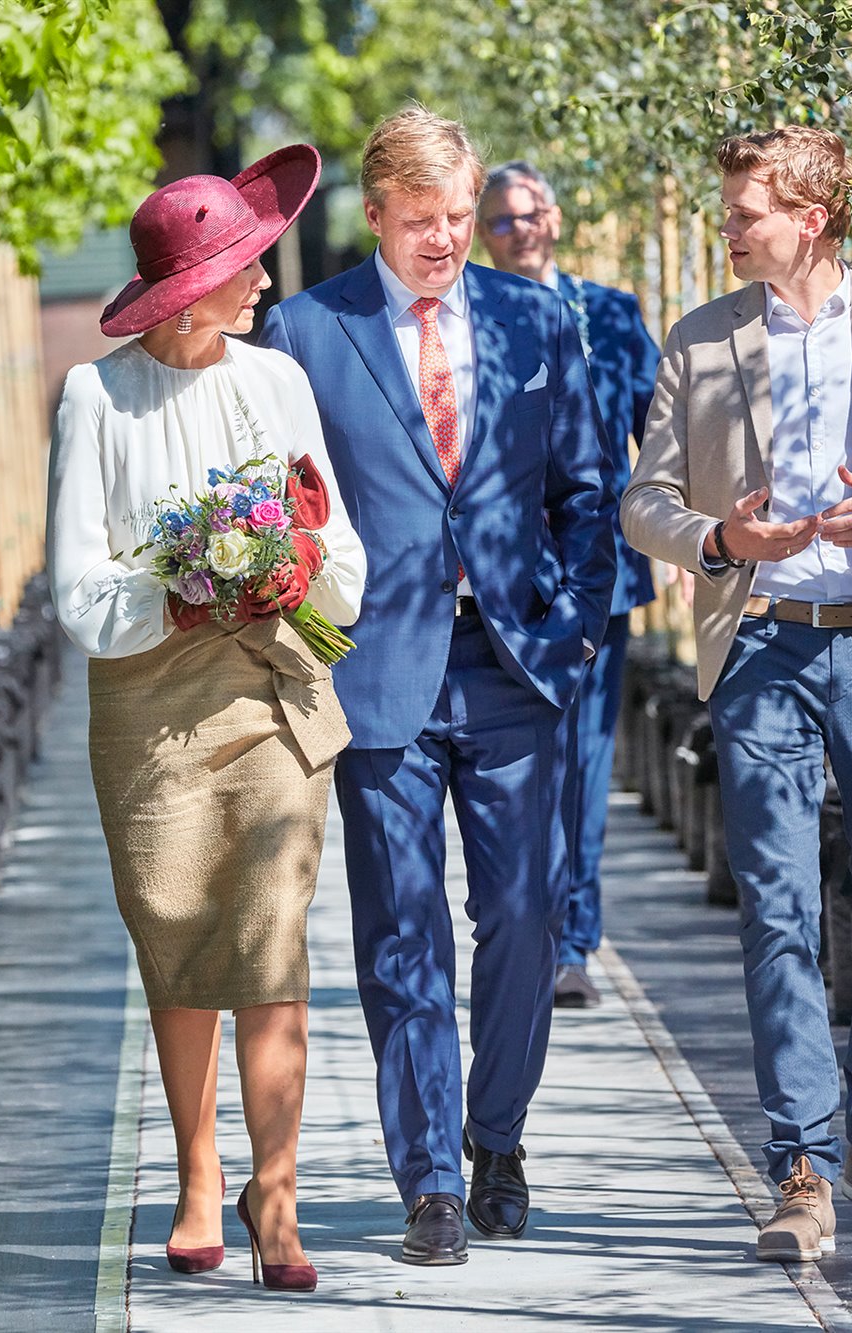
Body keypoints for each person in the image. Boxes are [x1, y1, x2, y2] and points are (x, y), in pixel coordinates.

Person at [621, 125, 852, 1263]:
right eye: (729, 208)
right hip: (764, 651)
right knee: (778, 909)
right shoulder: (698, 341)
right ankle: (800, 1163)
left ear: (810, 217)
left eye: (745, 210)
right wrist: (720, 537)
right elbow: (643, 503)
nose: (728, 226)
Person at [262, 107, 614, 1263]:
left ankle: (497, 1139)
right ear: (374, 215)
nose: (446, 240)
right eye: (422, 221)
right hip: (382, 673)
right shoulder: (309, 331)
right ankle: (427, 1179)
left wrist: (568, 637)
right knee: (400, 929)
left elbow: (584, 491)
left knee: (520, 913)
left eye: (460, 218)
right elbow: (282, 511)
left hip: (516, 665)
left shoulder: (533, 316)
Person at [46, 144, 366, 1294]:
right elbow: (75, 587)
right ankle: (196, 1173)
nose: (263, 282)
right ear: (190, 285)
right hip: (150, 707)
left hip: (271, 685)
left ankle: (274, 1200)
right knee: (177, 936)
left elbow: (331, 539)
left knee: (271, 938)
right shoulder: (95, 396)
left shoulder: (274, 378)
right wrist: (181, 588)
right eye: (243, 265)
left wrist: (290, 572)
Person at [476, 160, 659, 1009]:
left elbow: (658, 437)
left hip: (597, 578)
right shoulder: (468, 318)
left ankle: (574, 938)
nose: (522, 230)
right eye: (503, 221)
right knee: (519, 767)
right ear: (484, 233)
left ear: (555, 215)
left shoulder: (611, 315)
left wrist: (693, 540)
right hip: (504, 584)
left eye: (532, 213)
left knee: (585, 762)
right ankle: (525, 923)